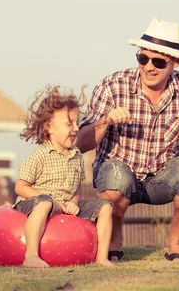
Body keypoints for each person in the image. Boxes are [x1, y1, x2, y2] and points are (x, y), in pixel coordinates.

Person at [76, 18, 179, 262]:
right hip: (119, 171)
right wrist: (106, 121)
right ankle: (114, 242)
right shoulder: (113, 85)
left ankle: (175, 243)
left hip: (162, 173)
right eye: (143, 58)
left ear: (176, 62)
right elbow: (81, 143)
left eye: (158, 61)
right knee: (114, 180)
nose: (149, 67)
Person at [13, 85, 114, 268]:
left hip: (65, 205)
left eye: (77, 123)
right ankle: (31, 255)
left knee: (105, 207)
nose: (76, 129)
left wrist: (74, 202)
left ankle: (101, 257)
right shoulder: (40, 155)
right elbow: (21, 187)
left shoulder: (76, 155)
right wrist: (50, 200)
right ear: (49, 127)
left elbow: (75, 189)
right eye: (69, 124)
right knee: (45, 203)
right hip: (37, 204)